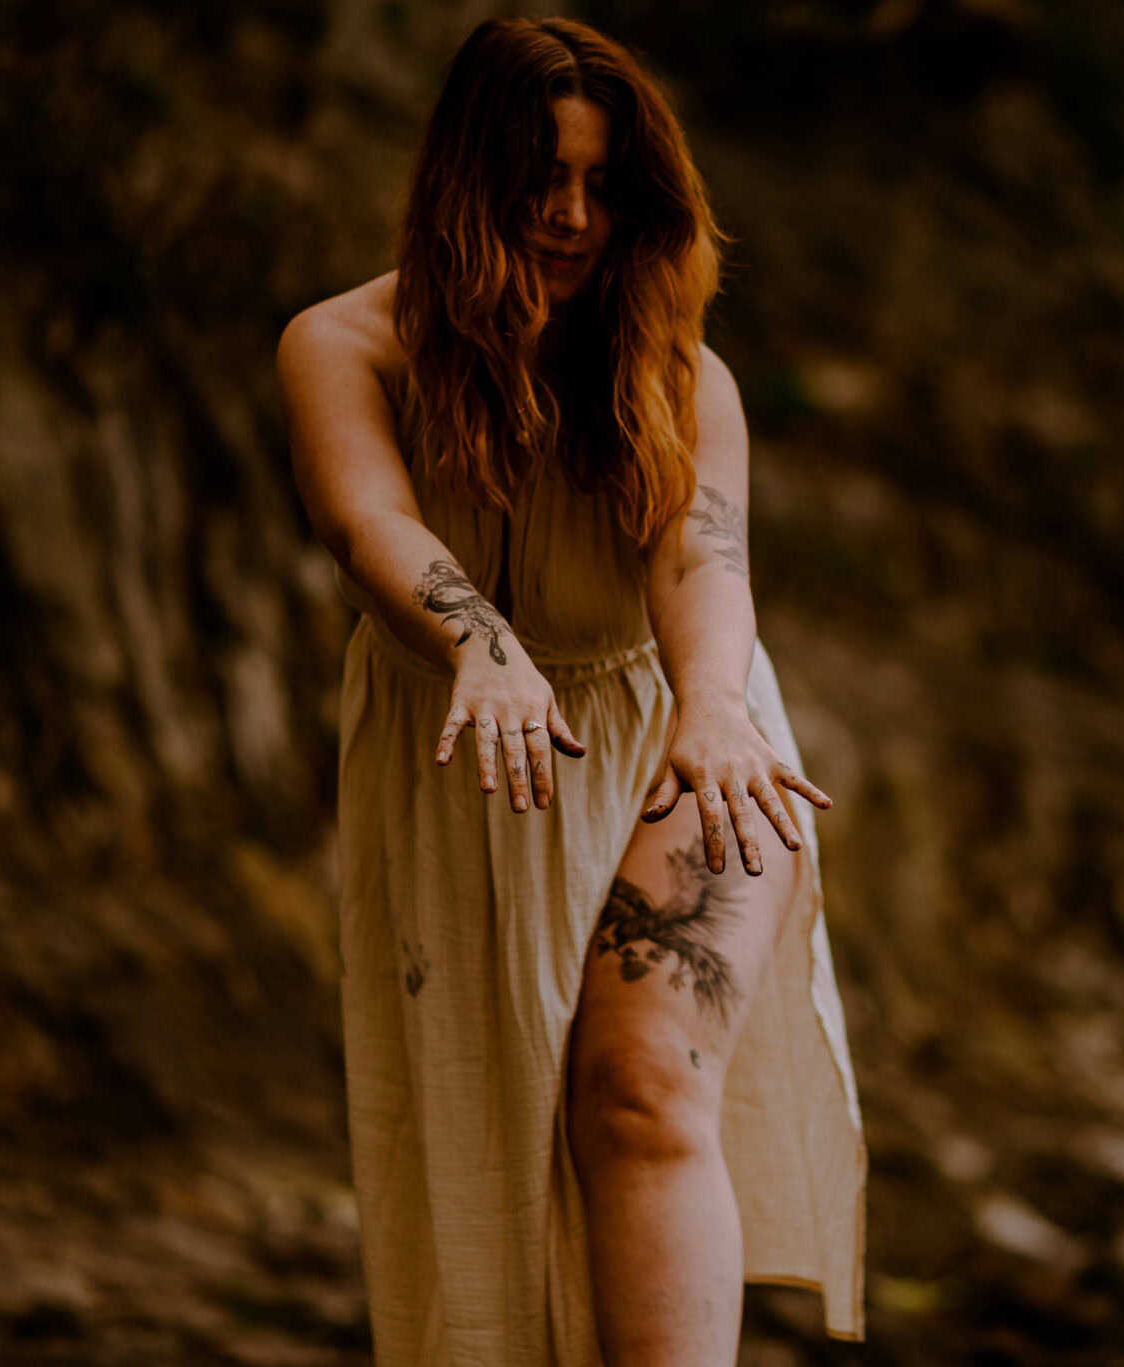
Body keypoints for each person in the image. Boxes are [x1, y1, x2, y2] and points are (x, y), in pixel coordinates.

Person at [275, 16, 867, 1363]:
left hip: (686, 730)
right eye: (539, 177)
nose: (571, 215)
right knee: (500, 1141)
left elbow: (703, 562)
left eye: (604, 185)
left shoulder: (678, 371)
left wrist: (715, 706)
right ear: (461, 181)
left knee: (643, 1090)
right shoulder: (341, 345)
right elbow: (370, 529)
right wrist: (482, 647)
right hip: (470, 745)